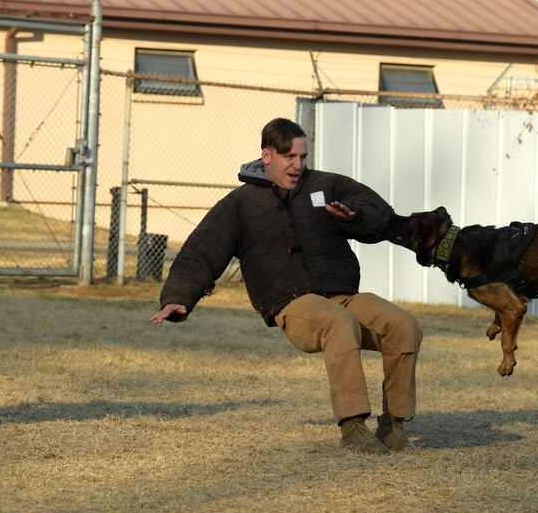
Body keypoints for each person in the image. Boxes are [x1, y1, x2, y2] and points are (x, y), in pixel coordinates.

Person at [150, 118, 422, 455]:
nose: (298, 165)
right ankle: (353, 427)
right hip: (293, 304)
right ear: (267, 156)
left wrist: (355, 217)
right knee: (339, 323)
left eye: (303, 157)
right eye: (289, 156)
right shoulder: (241, 204)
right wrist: (179, 297)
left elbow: (380, 214)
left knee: (402, 326)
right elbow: (202, 250)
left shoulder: (328, 186)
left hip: (343, 295)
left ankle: (394, 425)